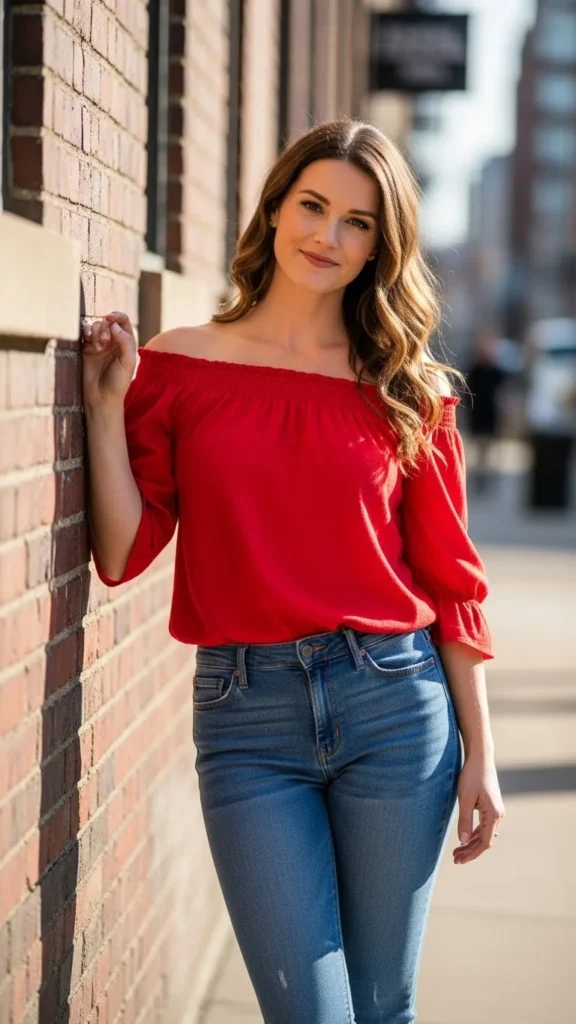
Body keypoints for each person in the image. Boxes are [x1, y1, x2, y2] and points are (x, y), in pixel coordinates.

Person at [82, 119, 504, 1024]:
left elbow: (452, 583)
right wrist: (107, 403)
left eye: (358, 222)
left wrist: (483, 755)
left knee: (382, 1007)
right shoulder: (182, 365)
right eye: (313, 206)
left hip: (396, 706)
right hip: (246, 718)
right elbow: (122, 552)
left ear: (380, 247)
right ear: (275, 210)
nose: (329, 236)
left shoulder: (408, 389)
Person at [465, 330, 509, 494]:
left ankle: (489, 478)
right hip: (477, 415)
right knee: (477, 448)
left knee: (490, 449)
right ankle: (479, 479)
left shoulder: (497, 372)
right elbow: (467, 393)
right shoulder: (475, 370)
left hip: (492, 415)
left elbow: (504, 395)